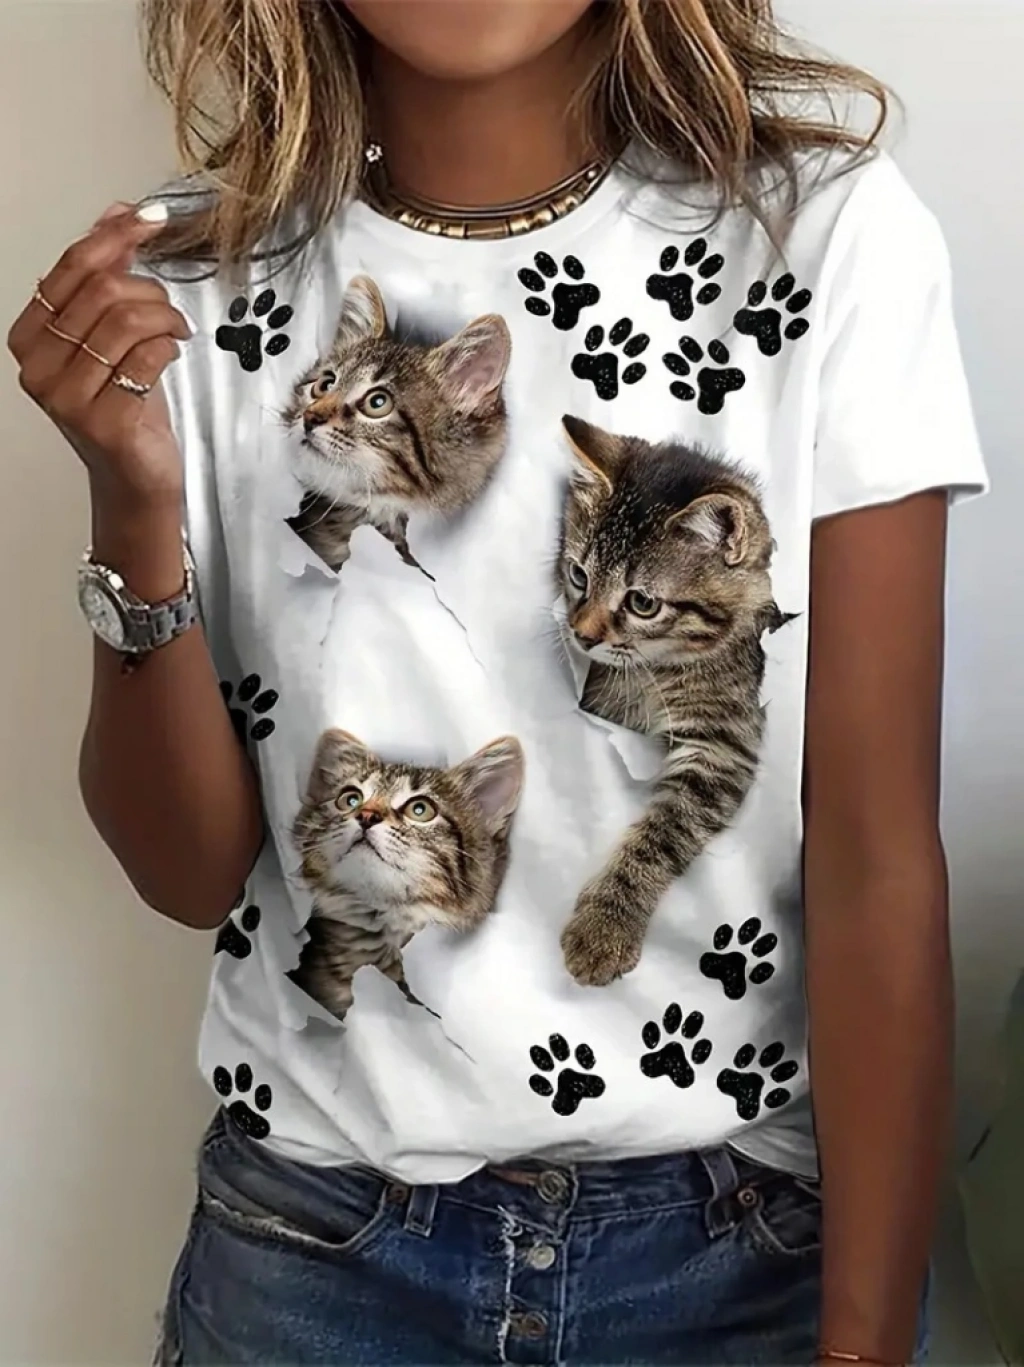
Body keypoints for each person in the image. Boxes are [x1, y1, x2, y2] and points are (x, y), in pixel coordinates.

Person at [7, 1, 988, 1363]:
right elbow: (187, 872)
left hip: (741, 1248)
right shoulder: (195, 280)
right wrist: (129, 499)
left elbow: (877, 856)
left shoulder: (823, 235)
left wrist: (866, 1344)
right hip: (319, 1242)